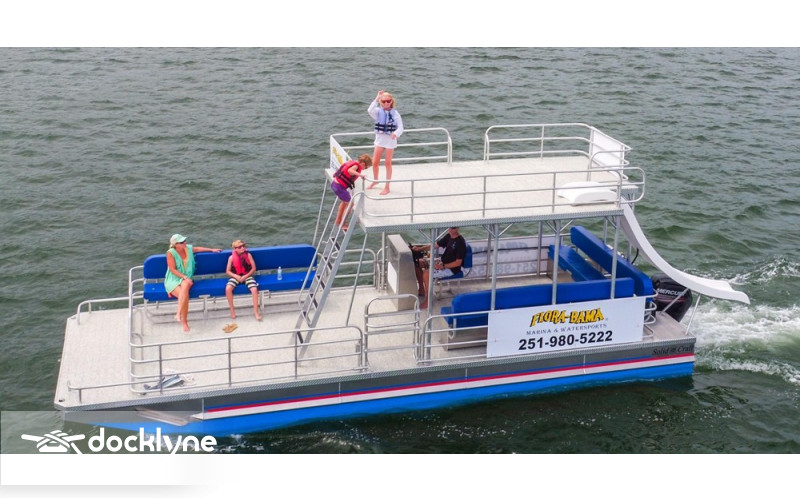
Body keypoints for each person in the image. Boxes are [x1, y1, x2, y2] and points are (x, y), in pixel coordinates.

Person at [164, 234, 222, 332]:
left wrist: (211, 250)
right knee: (184, 296)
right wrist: (184, 277)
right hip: (174, 278)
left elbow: (197, 249)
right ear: (176, 244)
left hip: (186, 278)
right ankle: (184, 322)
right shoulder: (171, 253)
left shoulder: (188, 248)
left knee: (186, 285)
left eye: (184, 241)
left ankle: (178, 314)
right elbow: (172, 269)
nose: (184, 243)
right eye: (181, 242)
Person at [412, 227, 467, 309]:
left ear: (458, 228)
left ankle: (428, 301)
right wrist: (419, 249)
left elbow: (458, 263)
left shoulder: (460, 242)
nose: (450, 229)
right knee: (418, 263)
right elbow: (435, 245)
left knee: (426, 274)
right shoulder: (449, 236)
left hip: (451, 269)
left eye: (453, 228)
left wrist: (443, 266)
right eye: (450, 227)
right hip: (441, 261)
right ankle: (422, 289)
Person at [367, 90, 404, 195]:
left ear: (391, 101)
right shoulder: (378, 112)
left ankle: (387, 186)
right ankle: (375, 180)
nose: (386, 103)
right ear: (381, 102)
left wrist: (396, 133)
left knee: (388, 163)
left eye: (388, 101)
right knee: (375, 162)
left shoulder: (395, 114)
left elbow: (401, 127)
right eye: (384, 101)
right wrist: (377, 97)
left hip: (390, 141)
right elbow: (369, 110)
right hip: (380, 140)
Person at [331, 154, 373, 230]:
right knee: (350, 205)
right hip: (339, 187)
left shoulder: (352, 162)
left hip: (335, 184)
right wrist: (361, 175)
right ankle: (343, 224)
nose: (364, 169)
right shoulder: (356, 166)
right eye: (366, 167)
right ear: (363, 164)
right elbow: (350, 170)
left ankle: (338, 220)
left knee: (344, 202)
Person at [225, 239, 263, 321]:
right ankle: (232, 310)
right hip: (236, 276)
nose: (242, 248)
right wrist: (235, 276)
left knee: (254, 289)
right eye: (240, 247)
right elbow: (227, 271)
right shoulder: (231, 258)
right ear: (235, 249)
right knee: (228, 289)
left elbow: (253, 268)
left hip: (247, 275)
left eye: (243, 246)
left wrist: (246, 276)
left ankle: (256, 312)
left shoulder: (248, 255)